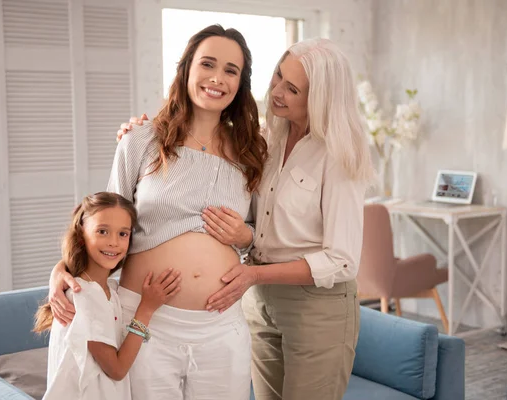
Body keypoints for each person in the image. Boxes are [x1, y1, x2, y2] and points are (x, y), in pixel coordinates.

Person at [120, 38, 374, 400]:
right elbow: (255, 228)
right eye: (277, 76)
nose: (277, 91)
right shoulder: (262, 142)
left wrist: (251, 264)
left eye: (293, 88)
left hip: (310, 304)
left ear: (320, 98)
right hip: (254, 302)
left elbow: (343, 260)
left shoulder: (333, 153)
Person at [48, 25, 268, 400]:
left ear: (241, 83)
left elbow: (259, 235)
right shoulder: (140, 141)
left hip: (221, 327)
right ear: (186, 70)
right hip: (147, 321)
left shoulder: (251, 152)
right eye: (208, 64)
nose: (217, 78)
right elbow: (101, 226)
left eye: (231, 70)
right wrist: (60, 270)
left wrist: (244, 237)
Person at [34, 192, 181, 400]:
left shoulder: (108, 290)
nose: (114, 242)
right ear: (81, 236)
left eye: (123, 234)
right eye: (102, 231)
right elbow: (117, 370)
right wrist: (146, 309)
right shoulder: (85, 295)